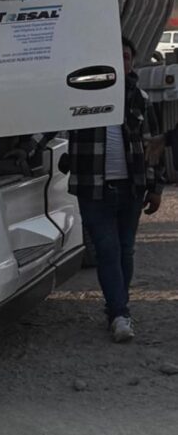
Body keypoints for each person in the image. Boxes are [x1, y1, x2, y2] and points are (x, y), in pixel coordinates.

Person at [67, 37, 162, 343]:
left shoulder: (140, 99)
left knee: (125, 250)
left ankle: (117, 308)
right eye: (116, 56)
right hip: (93, 190)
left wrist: (156, 187)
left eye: (127, 57)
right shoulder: (77, 97)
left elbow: (153, 145)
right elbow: (50, 127)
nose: (123, 62)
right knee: (107, 251)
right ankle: (120, 314)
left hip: (131, 189)